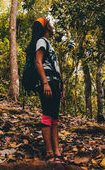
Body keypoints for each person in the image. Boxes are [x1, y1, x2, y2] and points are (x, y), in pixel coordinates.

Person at [26, 17, 64, 163]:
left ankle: (57, 151)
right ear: (45, 27)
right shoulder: (41, 41)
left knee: (55, 117)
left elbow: (55, 66)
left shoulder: (49, 43)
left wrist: (60, 85)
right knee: (47, 115)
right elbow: (38, 62)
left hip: (54, 82)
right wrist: (45, 83)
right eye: (49, 22)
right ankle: (49, 152)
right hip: (47, 82)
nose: (51, 25)